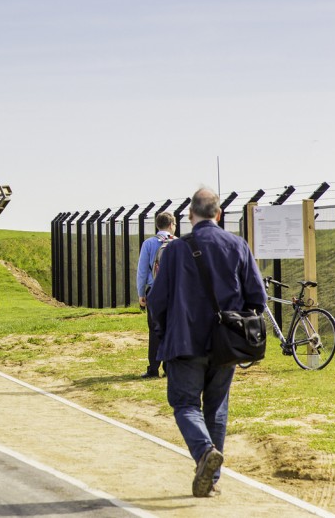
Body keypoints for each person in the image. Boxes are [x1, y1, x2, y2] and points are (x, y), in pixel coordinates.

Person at [148, 188, 267, 498]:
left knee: (185, 404)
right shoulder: (238, 245)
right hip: (226, 344)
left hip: (184, 342)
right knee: (216, 408)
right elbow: (258, 298)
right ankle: (211, 480)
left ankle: (204, 453)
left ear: (190, 215)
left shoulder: (175, 250)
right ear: (219, 214)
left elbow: (157, 300)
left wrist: (163, 332)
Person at [136, 212, 176, 378]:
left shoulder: (149, 243)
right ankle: (169, 367)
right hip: (174, 292)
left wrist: (141, 293)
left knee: (154, 330)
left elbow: (142, 271)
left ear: (157, 225)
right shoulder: (178, 243)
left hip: (154, 291)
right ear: (171, 225)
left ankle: (153, 368)